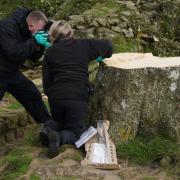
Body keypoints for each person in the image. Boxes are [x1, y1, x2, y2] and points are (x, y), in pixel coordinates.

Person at [41, 20, 113, 158]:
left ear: (53, 35)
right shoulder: (83, 45)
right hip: (77, 96)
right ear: (71, 32)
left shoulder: (49, 52)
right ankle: (59, 138)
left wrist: (55, 95)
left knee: (60, 121)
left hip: (56, 98)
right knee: (77, 133)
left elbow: (47, 84)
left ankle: (48, 128)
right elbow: (108, 45)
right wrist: (102, 56)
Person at [0, 8, 52, 124]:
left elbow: (32, 58)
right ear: (30, 26)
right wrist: (34, 42)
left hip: (11, 71)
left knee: (32, 95)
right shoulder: (6, 27)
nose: (39, 33)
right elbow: (13, 53)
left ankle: (48, 126)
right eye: (39, 30)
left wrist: (41, 45)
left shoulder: (30, 32)